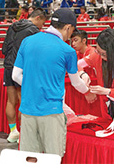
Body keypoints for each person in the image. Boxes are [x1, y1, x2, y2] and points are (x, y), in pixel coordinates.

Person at [12, 9, 89, 157]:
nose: (71, 36)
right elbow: (76, 83)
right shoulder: (68, 51)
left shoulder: (27, 41)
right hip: (52, 112)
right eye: (72, 31)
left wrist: (33, 86)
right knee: (53, 157)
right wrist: (88, 90)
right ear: (67, 27)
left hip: (28, 110)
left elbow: (15, 75)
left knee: (29, 158)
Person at [2, 9, 47, 143]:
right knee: (24, 100)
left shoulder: (12, 26)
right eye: (42, 23)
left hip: (8, 66)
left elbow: (4, 49)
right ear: (38, 18)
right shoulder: (34, 31)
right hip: (23, 68)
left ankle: (13, 132)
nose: (42, 27)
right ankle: (23, 134)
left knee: (11, 101)